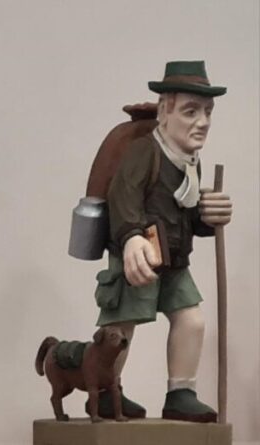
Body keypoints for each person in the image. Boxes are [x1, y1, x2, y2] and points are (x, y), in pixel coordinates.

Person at [95, 60, 232, 423]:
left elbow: (186, 212)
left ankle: (181, 393)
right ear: (165, 111)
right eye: (191, 111)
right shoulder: (145, 151)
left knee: (192, 320)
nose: (202, 121)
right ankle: (107, 391)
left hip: (174, 260)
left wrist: (209, 216)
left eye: (207, 112)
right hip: (139, 257)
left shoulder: (190, 161)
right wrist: (130, 238)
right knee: (122, 325)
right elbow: (123, 195)